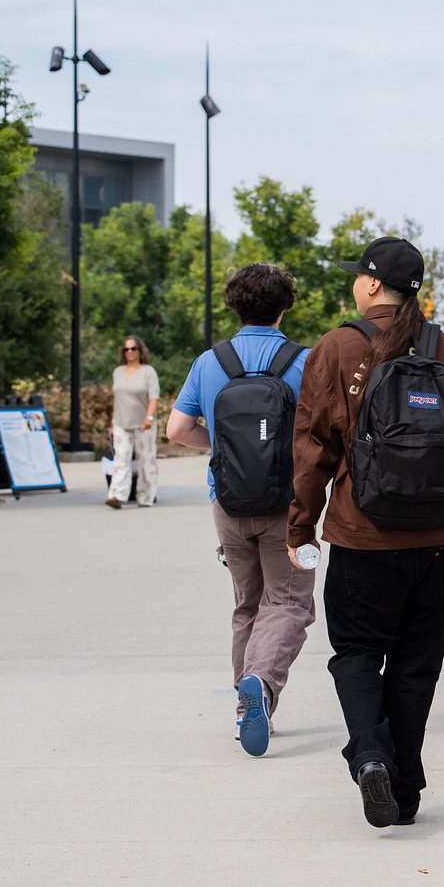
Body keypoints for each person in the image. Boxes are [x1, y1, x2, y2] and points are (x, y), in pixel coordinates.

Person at [289, 236, 444, 828]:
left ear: (372, 284)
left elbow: (311, 447)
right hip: (440, 542)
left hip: (362, 538)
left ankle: (371, 757)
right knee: (416, 668)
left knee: (357, 653)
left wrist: (301, 525)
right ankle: (404, 794)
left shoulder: (337, 348)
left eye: (357, 276)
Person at [165, 264, 314, 759]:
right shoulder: (305, 361)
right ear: (285, 305)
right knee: (289, 603)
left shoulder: (210, 362)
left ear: (234, 305)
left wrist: (222, 451)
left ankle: (246, 708)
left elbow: (177, 429)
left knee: (248, 604)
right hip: (287, 504)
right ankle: (261, 684)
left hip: (227, 501)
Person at [107, 335, 161, 509]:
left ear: (140, 350)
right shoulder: (117, 372)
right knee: (120, 460)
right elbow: (117, 400)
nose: (130, 352)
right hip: (121, 423)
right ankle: (117, 496)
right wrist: (112, 424)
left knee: (146, 461)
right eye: (126, 349)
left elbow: (154, 397)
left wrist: (149, 418)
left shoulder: (148, 371)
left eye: (133, 348)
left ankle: (146, 497)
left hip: (144, 424)